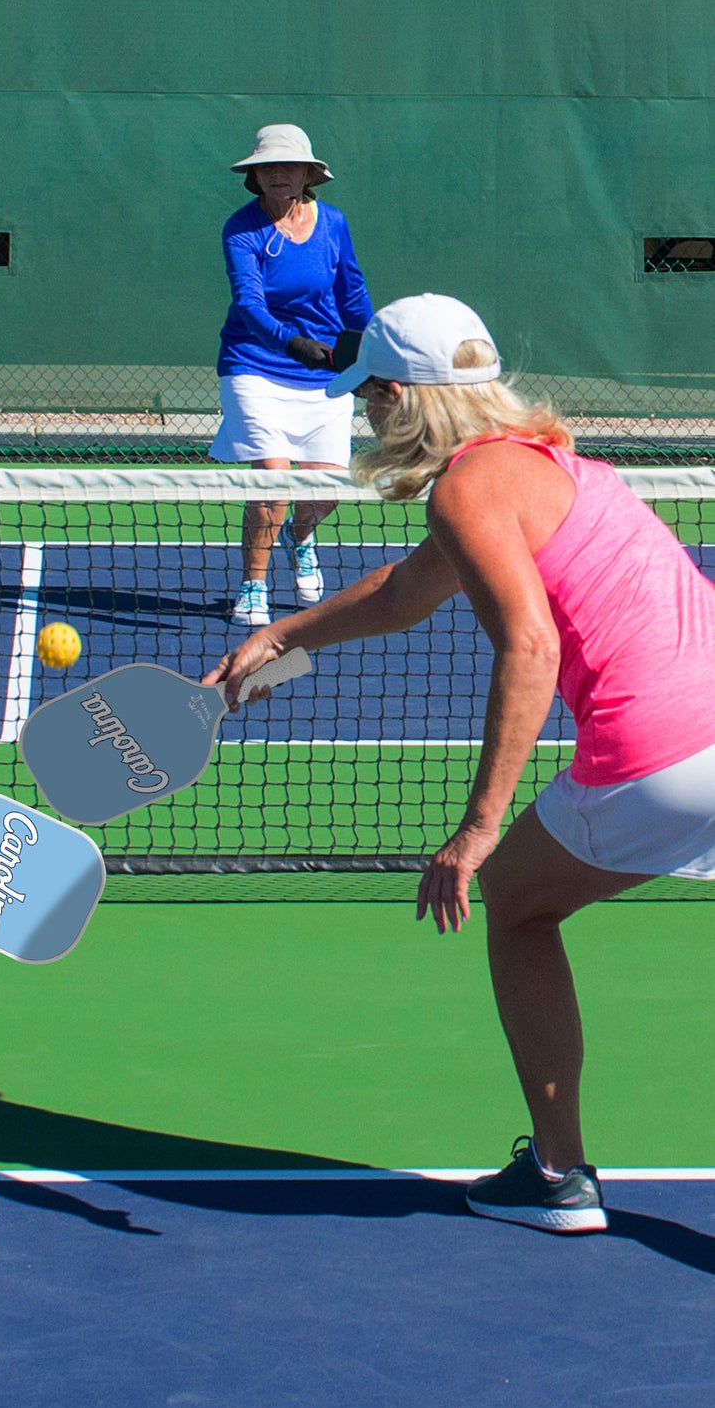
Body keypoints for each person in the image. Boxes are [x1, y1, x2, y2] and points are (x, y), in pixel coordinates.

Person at [204, 293, 715, 1235]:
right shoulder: (545, 465)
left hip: (658, 752)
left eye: (370, 398)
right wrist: (283, 640)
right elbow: (405, 593)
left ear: (402, 395)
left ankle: (560, 1174)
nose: (364, 414)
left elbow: (529, 647)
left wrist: (477, 829)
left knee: (518, 904)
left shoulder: (468, 487)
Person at [211, 123, 373, 628]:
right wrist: (294, 344)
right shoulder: (241, 230)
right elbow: (249, 305)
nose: (278, 174)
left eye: (288, 166)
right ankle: (253, 586)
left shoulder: (333, 224)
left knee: (323, 491)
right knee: (274, 481)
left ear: (308, 174)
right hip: (255, 364)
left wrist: (371, 350)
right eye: (267, 167)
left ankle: (300, 537)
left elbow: (351, 293)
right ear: (255, 176)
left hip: (324, 372)